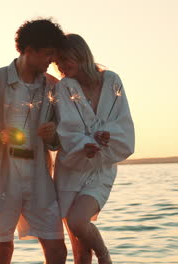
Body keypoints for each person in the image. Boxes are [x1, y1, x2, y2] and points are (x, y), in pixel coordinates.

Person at [0, 19, 67, 264]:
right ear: (29, 50)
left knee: (57, 249)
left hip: (39, 177)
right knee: (3, 251)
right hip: (1, 176)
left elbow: (59, 140)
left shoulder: (53, 87)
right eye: (47, 54)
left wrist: (53, 133)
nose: (51, 61)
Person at [54, 33, 135, 264]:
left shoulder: (112, 80)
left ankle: (104, 256)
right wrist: (84, 145)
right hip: (72, 167)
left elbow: (123, 121)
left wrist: (108, 136)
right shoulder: (65, 87)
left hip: (101, 169)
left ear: (79, 54)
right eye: (57, 62)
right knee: (78, 247)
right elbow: (67, 128)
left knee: (77, 221)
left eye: (64, 59)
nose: (61, 66)